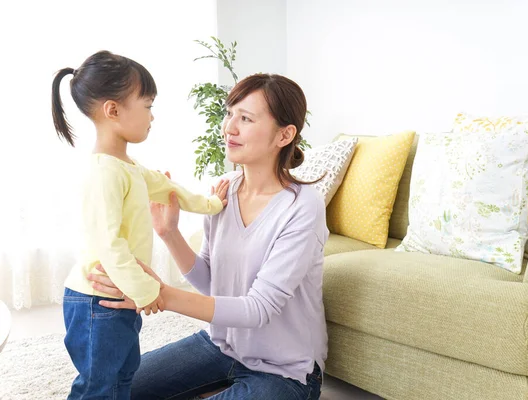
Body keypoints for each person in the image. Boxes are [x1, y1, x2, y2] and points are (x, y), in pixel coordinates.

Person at [89, 73, 328, 399]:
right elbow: (213, 282)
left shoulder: (303, 207)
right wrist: (169, 233)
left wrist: (160, 294)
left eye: (245, 118)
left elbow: (258, 309)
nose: (229, 127)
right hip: (220, 347)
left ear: (284, 135)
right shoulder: (225, 189)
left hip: (284, 370)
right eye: (230, 113)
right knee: (116, 388)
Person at [51, 50, 229, 400]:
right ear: (113, 110)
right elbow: (109, 244)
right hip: (97, 302)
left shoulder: (127, 166)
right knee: (99, 385)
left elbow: (170, 189)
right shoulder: (104, 172)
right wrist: (148, 292)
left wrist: (212, 204)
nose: (152, 116)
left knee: (123, 375)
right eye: (147, 106)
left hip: (120, 296)